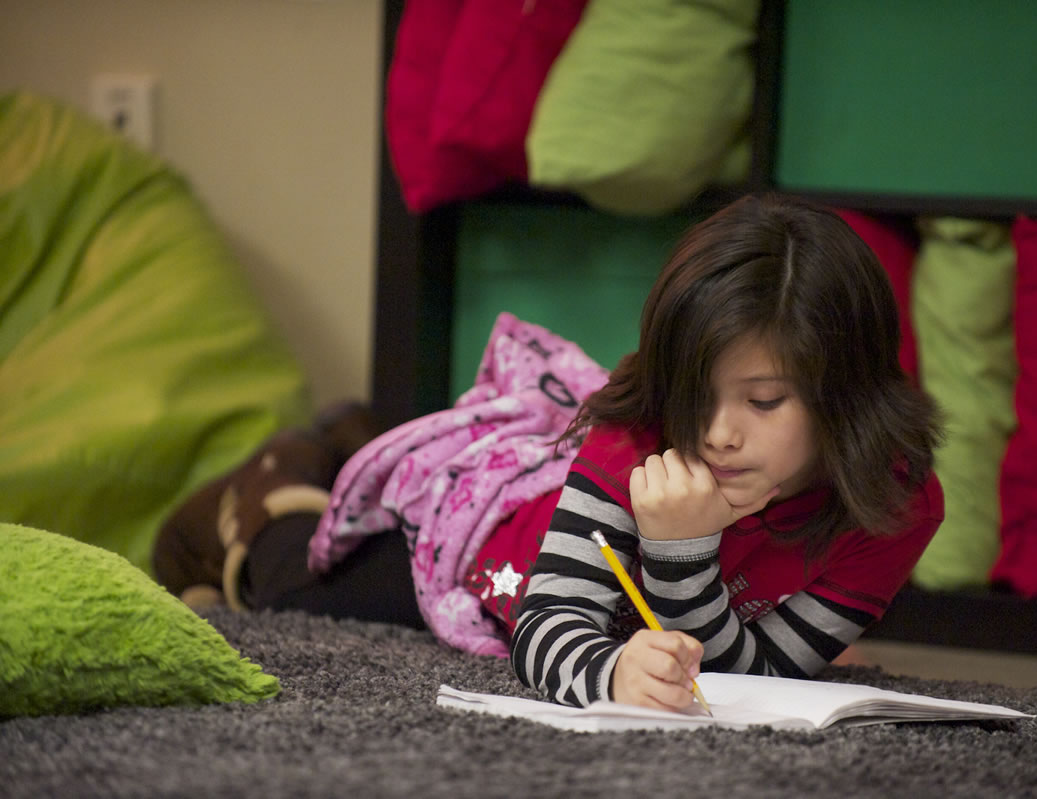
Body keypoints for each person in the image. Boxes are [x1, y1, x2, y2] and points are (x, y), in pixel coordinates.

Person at [152, 193, 943, 713]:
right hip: (502, 543)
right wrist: (609, 673)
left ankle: (352, 438)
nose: (715, 433)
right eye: (697, 394)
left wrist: (682, 560)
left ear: (846, 393)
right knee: (304, 583)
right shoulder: (640, 434)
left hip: (629, 554)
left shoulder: (897, 501)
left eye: (763, 401)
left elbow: (757, 679)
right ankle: (279, 485)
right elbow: (546, 618)